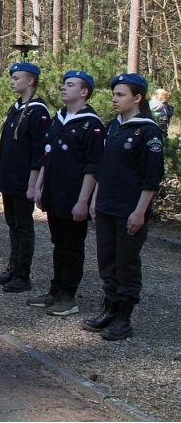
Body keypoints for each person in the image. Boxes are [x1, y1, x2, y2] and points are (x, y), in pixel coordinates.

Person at [83, 74, 164, 341]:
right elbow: (103, 168)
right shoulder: (113, 127)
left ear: (137, 98)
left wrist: (140, 210)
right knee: (107, 262)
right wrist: (95, 198)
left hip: (129, 208)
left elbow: (151, 177)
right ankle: (110, 309)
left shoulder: (148, 131)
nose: (114, 99)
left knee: (126, 264)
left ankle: (123, 318)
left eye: (121, 95)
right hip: (106, 205)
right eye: (114, 94)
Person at [26, 70, 102, 317]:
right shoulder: (58, 118)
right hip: (54, 192)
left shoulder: (91, 123)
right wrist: (38, 186)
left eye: (70, 85)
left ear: (84, 92)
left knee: (72, 246)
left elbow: (93, 167)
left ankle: (69, 295)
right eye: (64, 84)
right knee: (58, 244)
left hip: (73, 195)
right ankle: (56, 290)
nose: (63, 88)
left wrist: (83, 200)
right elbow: (48, 155)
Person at [0, 62, 51, 293]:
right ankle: (13, 267)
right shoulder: (16, 107)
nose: (12, 81)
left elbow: (39, 150)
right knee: (12, 223)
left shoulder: (37, 111)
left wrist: (34, 183)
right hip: (9, 176)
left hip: (24, 178)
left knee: (23, 226)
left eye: (17, 78)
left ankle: (23, 273)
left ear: (30, 81)